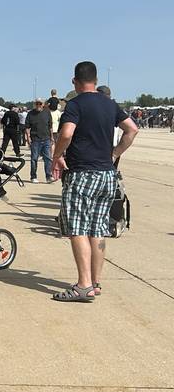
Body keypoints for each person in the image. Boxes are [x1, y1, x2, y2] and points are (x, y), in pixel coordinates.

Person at [51, 61, 138, 302]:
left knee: (77, 228)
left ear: (74, 81)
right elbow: (131, 129)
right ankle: (95, 283)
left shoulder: (75, 105)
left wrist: (56, 157)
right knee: (98, 228)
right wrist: (114, 153)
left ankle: (83, 285)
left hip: (82, 175)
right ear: (96, 80)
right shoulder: (110, 104)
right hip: (107, 175)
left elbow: (66, 133)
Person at [25, 99, 53, 183]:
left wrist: (52, 137)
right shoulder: (30, 114)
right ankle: (33, 176)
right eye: (37, 104)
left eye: (40, 104)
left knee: (47, 159)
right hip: (35, 139)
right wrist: (28, 138)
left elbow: (50, 126)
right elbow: (27, 127)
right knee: (34, 159)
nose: (38, 105)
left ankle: (48, 176)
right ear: (34, 104)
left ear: (43, 104)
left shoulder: (47, 112)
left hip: (46, 139)